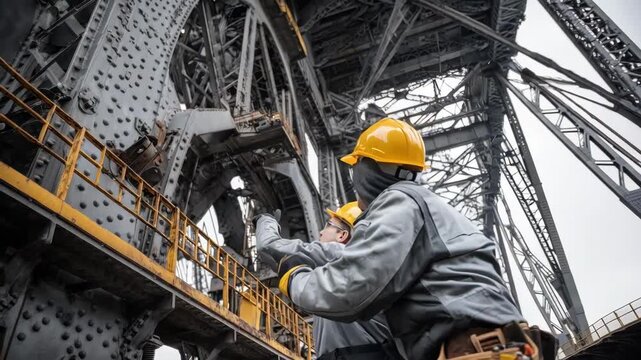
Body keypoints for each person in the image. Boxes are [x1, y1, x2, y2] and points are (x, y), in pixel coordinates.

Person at [277, 118, 556, 360]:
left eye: (356, 167)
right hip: (500, 345)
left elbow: (349, 289)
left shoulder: (399, 202)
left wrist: (294, 277)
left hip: (473, 350)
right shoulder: (429, 206)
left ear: (368, 169)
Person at [254, 202, 395, 360]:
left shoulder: (339, 253)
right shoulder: (377, 269)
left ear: (342, 235)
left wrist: (265, 220)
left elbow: (269, 246)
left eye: (328, 225)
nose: (321, 232)